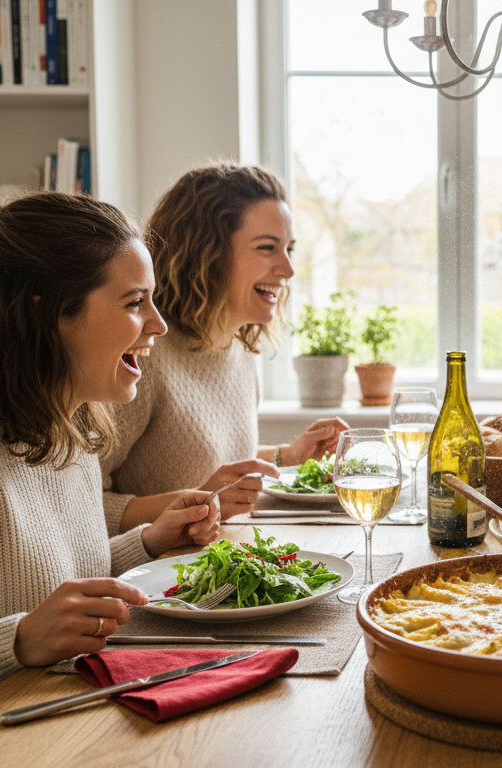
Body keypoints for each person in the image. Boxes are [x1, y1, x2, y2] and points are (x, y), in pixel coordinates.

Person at [0, 192, 221, 762]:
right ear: (48, 313)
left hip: (66, 740)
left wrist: (146, 543)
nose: (160, 325)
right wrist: (17, 642)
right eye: (135, 302)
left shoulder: (70, 427)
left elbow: (55, 576)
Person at [100, 164, 348, 532]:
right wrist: (198, 501)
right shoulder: (144, 353)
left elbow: (206, 463)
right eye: (267, 248)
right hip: (162, 581)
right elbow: (79, 505)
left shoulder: (241, 348)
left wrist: (286, 455)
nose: (288, 269)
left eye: (289, 249)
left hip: (226, 559)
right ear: (208, 252)